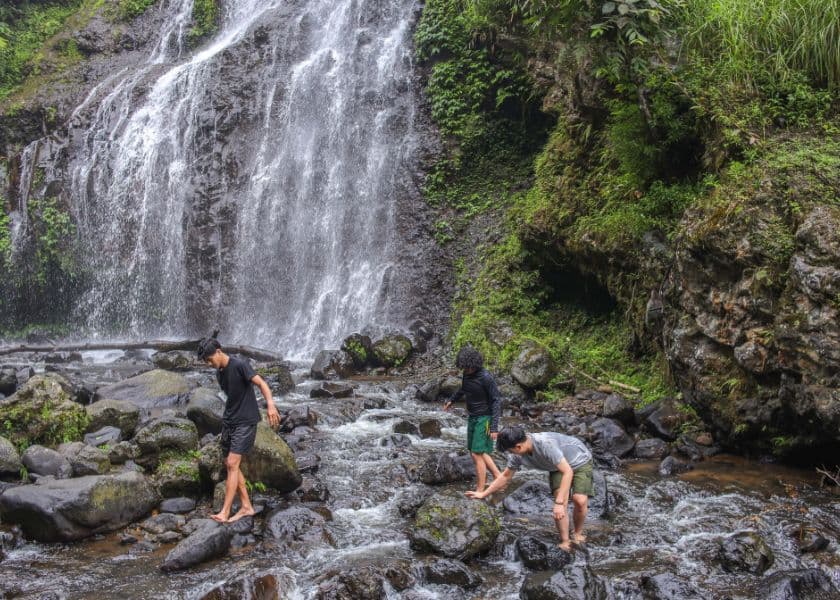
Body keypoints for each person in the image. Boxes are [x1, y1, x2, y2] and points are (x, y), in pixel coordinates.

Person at [465, 425, 594, 551]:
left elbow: (568, 472)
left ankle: (577, 533)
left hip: (579, 460)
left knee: (579, 500)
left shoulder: (545, 445)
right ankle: (565, 541)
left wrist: (559, 503)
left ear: (519, 446)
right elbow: (505, 477)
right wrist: (484, 494)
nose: (510, 454)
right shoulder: (516, 454)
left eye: (510, 450)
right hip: (556, 466)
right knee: (560, 503)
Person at [197, 335, 281, 523]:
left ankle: (225, 512)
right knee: (230, 464)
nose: (209, 364)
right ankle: (246, 506)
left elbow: (261, 383)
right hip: (230, 422)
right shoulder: (219, 372)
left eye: (209, 360)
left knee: (233, 464)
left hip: (246, 421)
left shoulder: (240, 365)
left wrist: (270, 405)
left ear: (218, 351)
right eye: (206, 362)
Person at [443, 346, 503, 494]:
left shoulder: (486, 377)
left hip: (485, 418)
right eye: (464, 367)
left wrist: (494, 427)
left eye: (468, 367)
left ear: (474, 364)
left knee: (477, 453)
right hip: (473, 416)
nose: (466, 370)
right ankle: (498, 476)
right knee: (475, 451)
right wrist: (452, 400)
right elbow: (463, 389)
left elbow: (496, 401)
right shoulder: (466, 374)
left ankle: (480, 489)